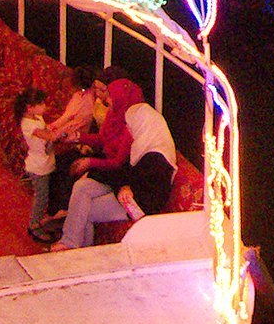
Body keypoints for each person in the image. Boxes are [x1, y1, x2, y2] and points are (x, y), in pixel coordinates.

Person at [53, 77, 177, 251]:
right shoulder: (145, 142)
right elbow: (125, 172)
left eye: (108, 95)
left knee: (84, 208)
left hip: (137, 203)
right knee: (82, 188)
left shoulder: (155, 156)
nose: (105, 99)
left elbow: (132, 179)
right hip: (126, 189)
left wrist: (106, 175)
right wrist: (98, 171)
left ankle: (75, 248)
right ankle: (73, 245)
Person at [18, 65, 99, 242]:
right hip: (40, 166)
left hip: (52, 159)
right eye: (41, 104)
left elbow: (67, 121)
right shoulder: (31, 125)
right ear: (30, 108)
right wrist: (62, 131)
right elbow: (54, 132)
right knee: (41, 196)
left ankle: (56, 213)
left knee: (58, 175)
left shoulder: (36, 118)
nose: (45, 107)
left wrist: (62, 129)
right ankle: (36, 225)